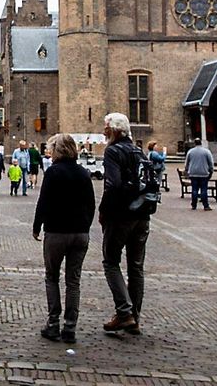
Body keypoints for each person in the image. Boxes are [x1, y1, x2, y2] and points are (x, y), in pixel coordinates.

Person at [33, 133, 95, 344]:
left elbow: (44, 201)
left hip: (57, 233)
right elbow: (91, 204)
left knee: (52, 277)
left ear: (57, 151)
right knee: (73, 281)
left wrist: (36, 226)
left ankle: (53, 325)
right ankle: (70, 327)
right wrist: (84, 226)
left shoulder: (53, 172)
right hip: (80, 234)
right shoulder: (84, 173)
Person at [99, 112, 149, 335]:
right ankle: (134, 318)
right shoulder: (139, 151)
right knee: (136, 267)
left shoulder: (112, 151)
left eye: (106, 128)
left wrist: (103, 212)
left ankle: (124, 312)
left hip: (121, 217)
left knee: (111, 261)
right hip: (142, 216)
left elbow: (113, 185)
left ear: (115, 130)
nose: (103, 132)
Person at [185, 138, 214, 210]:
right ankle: (205, 205)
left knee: (194, 189)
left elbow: (187, 162)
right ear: (201, 143)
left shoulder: (190, 152)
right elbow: (210, 162)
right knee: (204, 189)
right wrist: (211, 170)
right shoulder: (206, 151)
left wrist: (186, 170)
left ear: (194, 143)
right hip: (203, 173)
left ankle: (194, 205)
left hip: (193, 173)